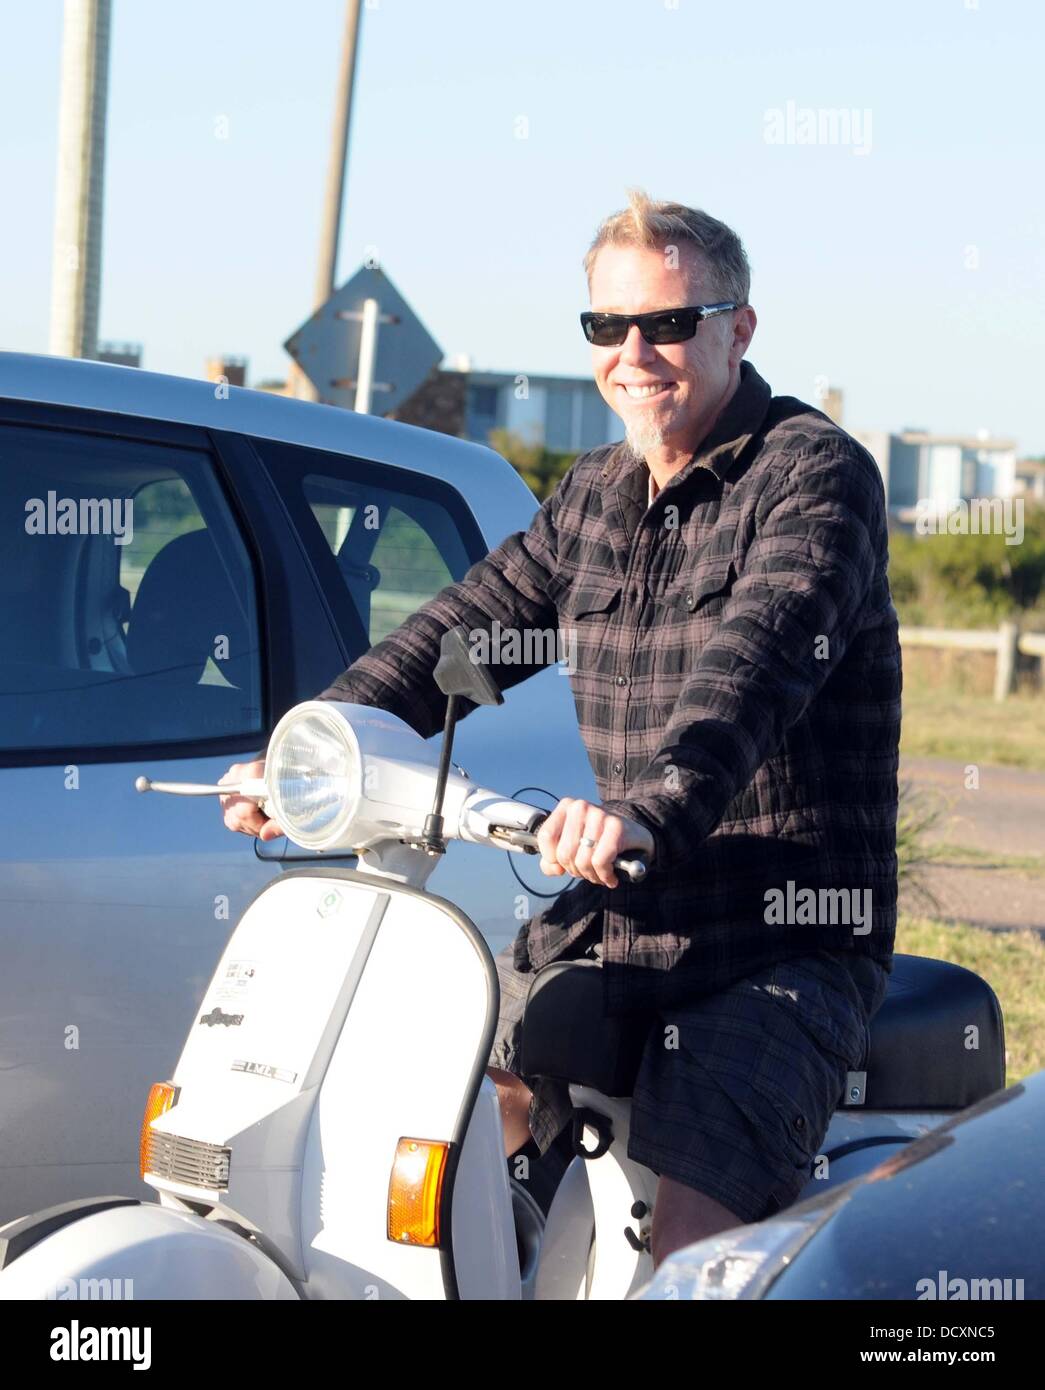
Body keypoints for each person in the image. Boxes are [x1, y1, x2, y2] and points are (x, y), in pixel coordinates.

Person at [221, 189, 901, 1268]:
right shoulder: (593, 495)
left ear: (738, 328)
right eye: (607, 326)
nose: (636, 352)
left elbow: (755, 666)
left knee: (690, 1252)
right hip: (621, 910)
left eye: (670, 323)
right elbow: (463, 634)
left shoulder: (812, 476)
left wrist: (652, 805)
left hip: (777, 936)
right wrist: (313, 745)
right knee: (431, 1105)